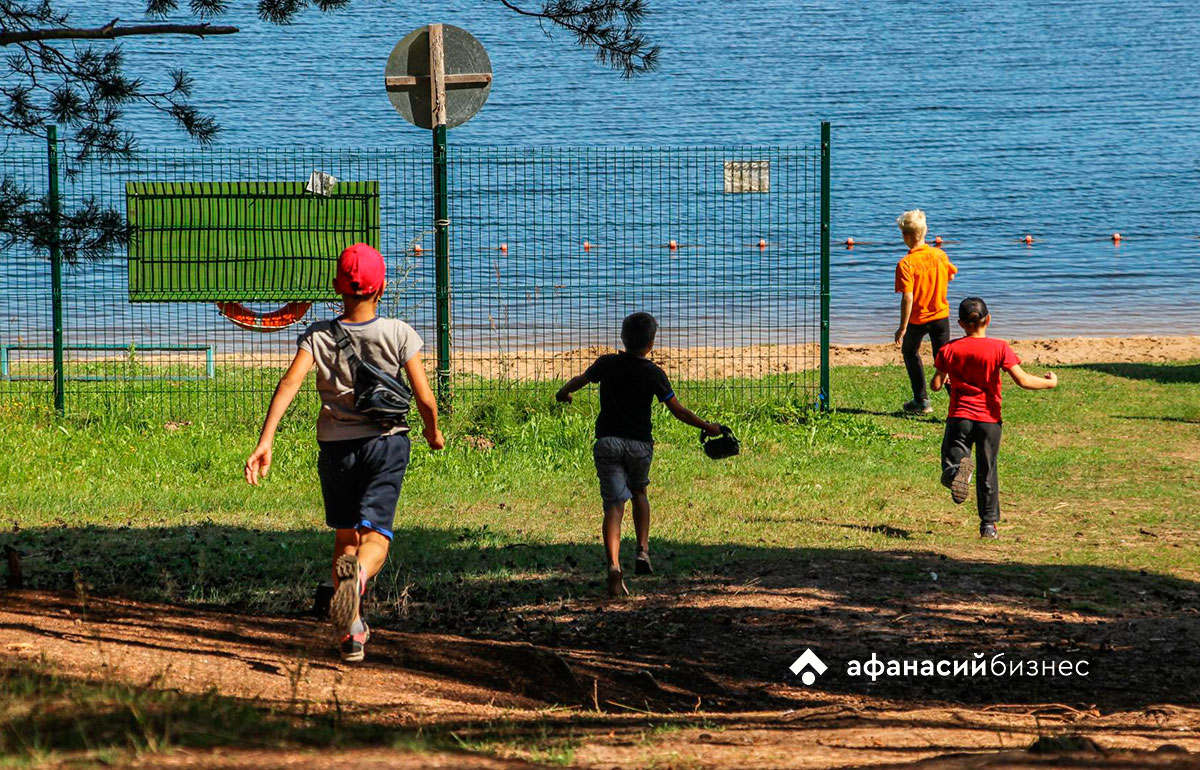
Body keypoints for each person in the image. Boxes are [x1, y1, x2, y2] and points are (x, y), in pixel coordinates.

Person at [244, 243, 444, 662]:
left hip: (335, 449)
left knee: (345, 538)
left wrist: (267, 439)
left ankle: (351, 630)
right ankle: (358, 583)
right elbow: (425, 398)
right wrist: (432, 432)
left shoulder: (318, 335)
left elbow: (289, 385)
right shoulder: (398, 333)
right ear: (382, 287)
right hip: (386, 445)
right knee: (376, 540)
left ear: (338, 287)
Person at [555, 312, 722, 597]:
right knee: (640, 493)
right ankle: (642, 550)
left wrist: (563, 393)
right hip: (640, 446)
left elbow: (579, 381)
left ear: (622, 337)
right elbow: (678, 410)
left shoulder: (606, 363)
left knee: (614, 505)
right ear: (651, 344)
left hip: (607, 442)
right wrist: (709, 426)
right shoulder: (654, 373)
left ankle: (613, 566)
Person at [931, 297, 1057, 539]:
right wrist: (1050, 383)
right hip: (989, 419)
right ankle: (988, 526)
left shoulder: (948, 349)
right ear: (988, 319)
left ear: (960, 324)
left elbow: (936, 385)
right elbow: (1023, 380)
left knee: (951, 461)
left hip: (960, 417)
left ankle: (958, 472)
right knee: (987, 471)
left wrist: (944, 379)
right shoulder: (1000, 347)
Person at [894, 209, 958, 414]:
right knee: (944, 360)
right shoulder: (940, 255)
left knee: (909, 351)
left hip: (917, 319)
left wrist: (902, 327)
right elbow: (951, 276)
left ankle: (921, 399)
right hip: (941, 316)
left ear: (905, 236)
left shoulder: (906, 264)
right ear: (925, 231)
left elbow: (908, 297)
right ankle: (958, 402)